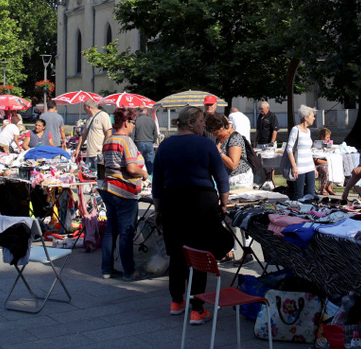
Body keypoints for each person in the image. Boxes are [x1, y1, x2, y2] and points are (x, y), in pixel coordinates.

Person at [152, 106, 231, 326]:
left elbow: (156, 182)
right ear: (190, 123)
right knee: (199, 253)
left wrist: (158, 210)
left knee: (177, 253)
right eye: (200, 122)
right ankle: (198, 308)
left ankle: (176, 302)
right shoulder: (206, 144)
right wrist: (223, 203)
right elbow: (221, 177)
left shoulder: (165, 145)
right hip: (201, 203)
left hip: (172, 201)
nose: (203, 125)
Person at [100, 107, 148, 280]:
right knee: (126, 231)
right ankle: (129, 271)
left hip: (109, 188)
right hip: (124, 191)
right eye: (133, 122)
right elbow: (131, 167)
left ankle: (106, 269)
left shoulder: (108, 140)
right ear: (127, 122)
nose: (134, 126)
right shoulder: (125, 141)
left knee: (111, 231)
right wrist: (143, 174)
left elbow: (105, 164)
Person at [206, 113, 252, 190]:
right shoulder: (220, 138)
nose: (213, 135)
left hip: (239, 179)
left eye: (214, 131)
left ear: (222, 127)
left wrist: (220, 153)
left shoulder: (235, 138)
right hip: (228, 178)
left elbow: (233, 165)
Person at [284, 105, 317, 199]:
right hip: (300, 168)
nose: (314, 118)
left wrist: (314, 167)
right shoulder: (295, 130)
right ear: (306, 118)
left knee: (311, 194)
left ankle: (309, 212)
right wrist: (294, 166)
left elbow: (308, 150)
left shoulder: (308, 131)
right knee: (299, 195)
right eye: (312, 116)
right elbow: (289, 148)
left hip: (309, 166)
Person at [75, 101, 112, 176]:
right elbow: (83, 135)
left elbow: (108, 132)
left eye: (84, 108)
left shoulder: (103, 116)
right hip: (89, 153)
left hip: (99, 153)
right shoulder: (89, 118)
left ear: (89, 107)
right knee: (88, 176)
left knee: (99, 176)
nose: (84, 110)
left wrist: (105, 148)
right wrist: (77, 149)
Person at [255, 101, 279, 189]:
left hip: (268, 143)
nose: (260, 110)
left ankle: (270, 182)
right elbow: (257, 129)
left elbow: (275, 130)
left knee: (269, 163)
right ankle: (262, 181)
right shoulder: (260, 116)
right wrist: (255, 141)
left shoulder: (272, 117)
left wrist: (272, 143)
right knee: (259, 163)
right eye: (259, 109)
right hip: (260, 143)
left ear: (267, 108)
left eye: (262, 109)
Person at [132, 106, 159, 175]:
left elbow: (133, 134)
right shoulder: (151, 120)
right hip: (149, 143)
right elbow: (155, 133)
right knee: (150, 163)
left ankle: (141, 178)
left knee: (139, 163)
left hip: (139, 143)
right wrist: (153, 141)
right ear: (146, 111)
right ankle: (151, 179)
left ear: (139, 111)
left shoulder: (136, 121)